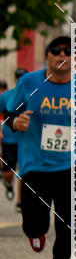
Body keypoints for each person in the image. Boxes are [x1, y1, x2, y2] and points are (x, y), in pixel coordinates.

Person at [5, 37, 75, 259]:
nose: (62, 55)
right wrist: (17, 122)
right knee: (34, 225)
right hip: (35, 166)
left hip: (70, 167)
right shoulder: (29, 83)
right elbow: (9, 116)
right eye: (56, 51)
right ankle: (36, 231)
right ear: (46, 56)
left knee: (67, 227)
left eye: (68, 52)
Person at [0, 67, 27, 208]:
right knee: (8, 173)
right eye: (19, 77)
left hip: (26, 140)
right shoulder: (5, 96)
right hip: (9, 139)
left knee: (24, 171)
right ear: (15, 79)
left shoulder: (32, 95)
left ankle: (20, 201)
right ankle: (8, 185)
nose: (21, 80)